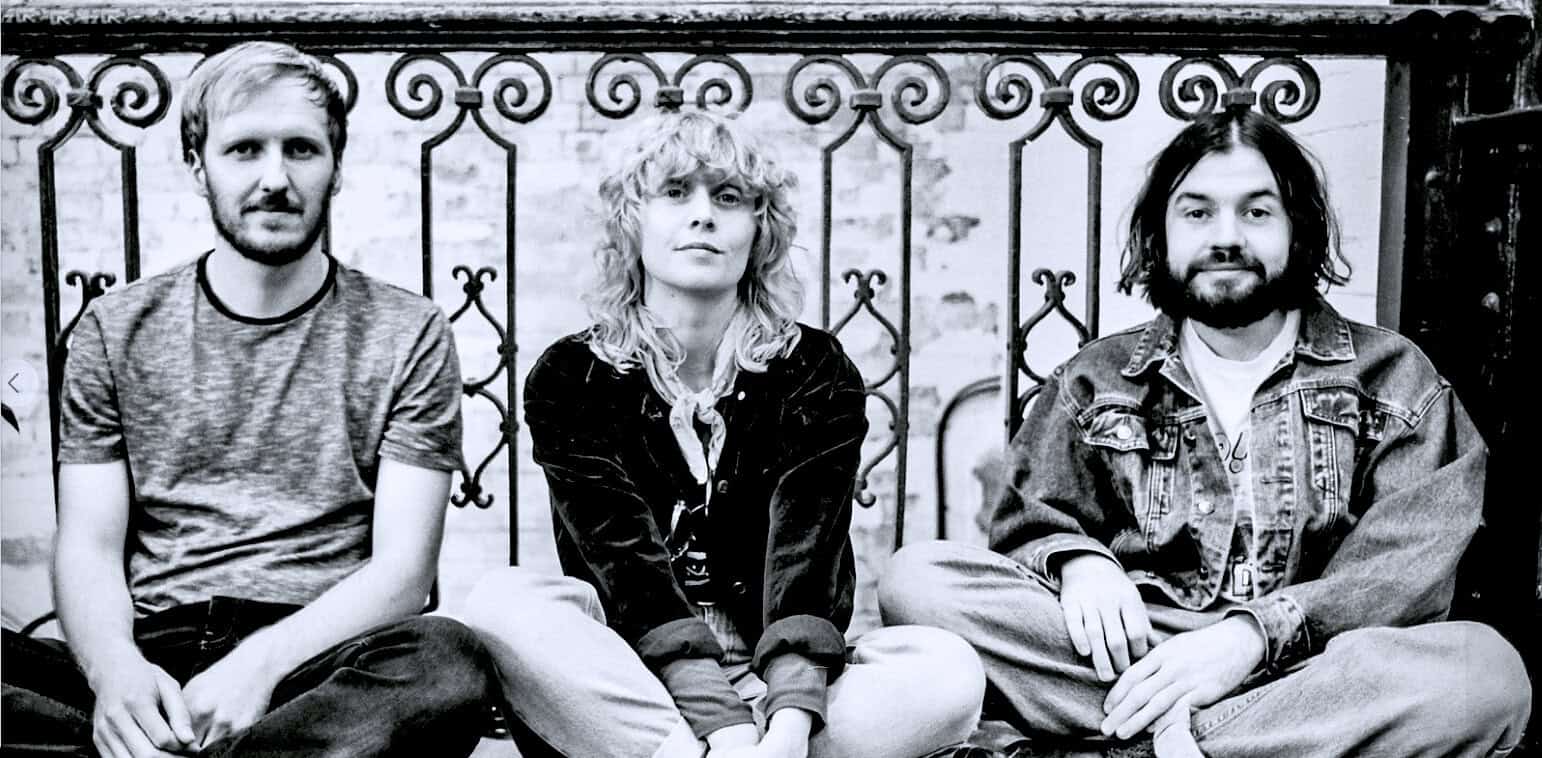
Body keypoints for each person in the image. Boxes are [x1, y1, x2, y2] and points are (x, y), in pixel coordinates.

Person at [879, 108, 1531, 757]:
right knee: (920, 581)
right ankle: (1227, 739)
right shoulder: (1094, 379)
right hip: (1140, 655)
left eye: (1256, 212)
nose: (1226, 236)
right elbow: (1028, 523)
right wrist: (1077, 561)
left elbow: (1404, 570)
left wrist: (1249, 638)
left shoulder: (1392, 379)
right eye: (1197, 212)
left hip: (1317, 664)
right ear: (1161, 235)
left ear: (1296, 230)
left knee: (1485, 674)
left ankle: (1144, 745)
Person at [1, 41, 494, 758]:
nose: (275, 178)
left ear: (335, 164)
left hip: (315, 660)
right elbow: (89, 545)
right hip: (153, 650)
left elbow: (404, 573)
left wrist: (257, 667)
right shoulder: (116, 329)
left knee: (447, 663)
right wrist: (117, 677)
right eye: (244, 150)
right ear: (199, 167)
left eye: (301, 149)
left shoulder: (405, 331)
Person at [460, 110, 988, 758]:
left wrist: (790, 724)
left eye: (728, 197)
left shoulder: (813, 370)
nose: (703, 215)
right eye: (676, 193)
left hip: (781, 687)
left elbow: (808, 559)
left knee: (948, 672)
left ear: (758, 230)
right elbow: (625, 568)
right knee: (500, 603)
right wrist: (728, 730)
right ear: (633, 221)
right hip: (638, 684)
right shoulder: (572, 377)